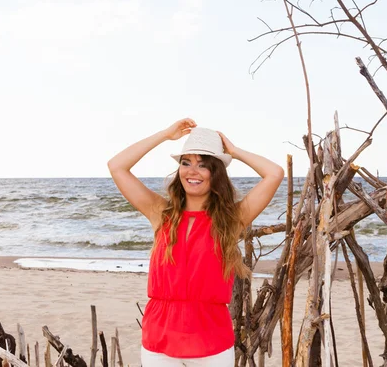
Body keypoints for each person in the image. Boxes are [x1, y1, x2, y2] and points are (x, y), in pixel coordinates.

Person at [107, 118, 284, 366]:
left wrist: (233, 152)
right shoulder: (161, 213)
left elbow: (274, 173)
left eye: (203, 165)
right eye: (186, 163)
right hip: (159, 340)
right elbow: (117, 166)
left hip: (211, 342)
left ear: (216, 173)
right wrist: (165, 135)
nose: (192, 171)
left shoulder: (230, 220)